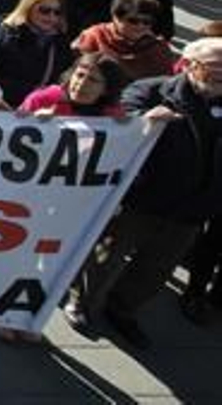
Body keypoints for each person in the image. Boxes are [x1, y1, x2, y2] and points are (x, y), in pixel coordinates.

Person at [68, 38, 217, 348]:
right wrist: (143, 121)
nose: (220, 78)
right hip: (143, 198)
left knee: (157, 267)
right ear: (189, 65)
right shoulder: (151, 91)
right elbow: (123, 124)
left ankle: (122, 309)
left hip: (194, 209)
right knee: (107, 256)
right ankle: (82, 301)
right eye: (214, 69)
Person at [0, 0, 74, 106]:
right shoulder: (3, 34)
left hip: (41, 110)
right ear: (27, 9)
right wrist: (33, 91)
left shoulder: (60, 41)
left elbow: (65, 77)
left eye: (57, 12)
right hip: (2, 106)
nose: (51, 17)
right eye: (44, 10)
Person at [72, 0, 177, 81]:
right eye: (133, 21)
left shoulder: (157, 48)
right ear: (115, 17)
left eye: (146, 22)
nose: (140, 26)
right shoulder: (94, 36)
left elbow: (164, 83)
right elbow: (74, 72)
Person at [18, 52, 130, 120]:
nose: (81, 84)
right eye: (79, 75)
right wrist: (33, 121)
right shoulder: (41, 100)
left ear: (106, 90)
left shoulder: (113, 115)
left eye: (93, 80)